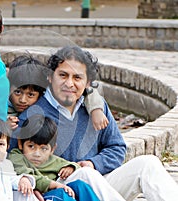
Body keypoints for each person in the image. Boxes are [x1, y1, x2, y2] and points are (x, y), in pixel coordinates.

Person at [13, 45, 178, 201]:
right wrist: (30, 180)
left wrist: (94, 163)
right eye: (63, 75)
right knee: (85, 174)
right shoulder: (33, 113)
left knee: (147, 164)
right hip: (62, 189)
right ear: (50, 77)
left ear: (87, 83)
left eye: (77, 77)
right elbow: (12, 156)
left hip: (99, 185)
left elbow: (116, 147)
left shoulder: (96, 108)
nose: (69, 83)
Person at [8, 114, 100, 201]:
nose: (37, 154)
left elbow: (73, 166)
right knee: (61, 193)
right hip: (40, 196)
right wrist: (54, 185)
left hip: (56, 190)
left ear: (52, 149)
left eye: (43, 149)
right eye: (31, 146)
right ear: (20, 143)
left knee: (80, 186)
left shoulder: (51, 160)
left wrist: (71, 167)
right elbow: (27, 176)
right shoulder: (17, 156)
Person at [7, 54, 108, 131]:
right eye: (17, 92)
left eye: (30, 95)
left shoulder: (48, 91)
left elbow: (88, 90)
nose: (22, 100)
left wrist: (96, 109)